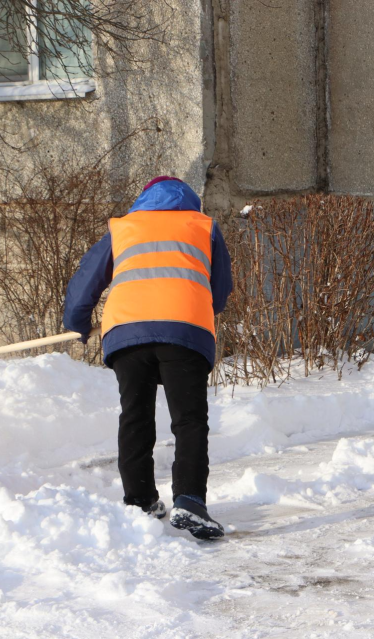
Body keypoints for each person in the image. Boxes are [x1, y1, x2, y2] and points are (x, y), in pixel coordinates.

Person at [63, 176, 233, 539]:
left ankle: (140, 500)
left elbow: (86, 280)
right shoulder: (203, 228)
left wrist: (78, 323)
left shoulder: (124, 228)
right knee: (188, 421)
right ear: (190, 201)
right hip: (185, 330)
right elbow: (219, 292)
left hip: (127, 332)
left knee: (135, 415)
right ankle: (189, 501)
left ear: (144, 200)